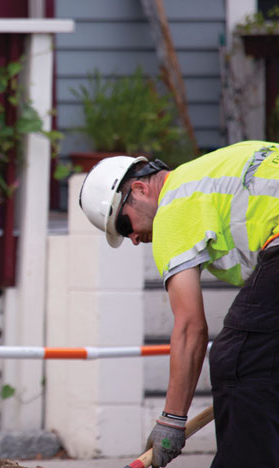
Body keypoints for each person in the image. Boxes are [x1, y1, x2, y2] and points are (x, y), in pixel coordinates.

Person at [78, 140, 279, 468]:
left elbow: (190, 329)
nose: (132, 239)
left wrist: (171, 420)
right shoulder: (206, 174)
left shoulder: (173, 207)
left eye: (124, 224)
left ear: (141, 189)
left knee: (236, 358)